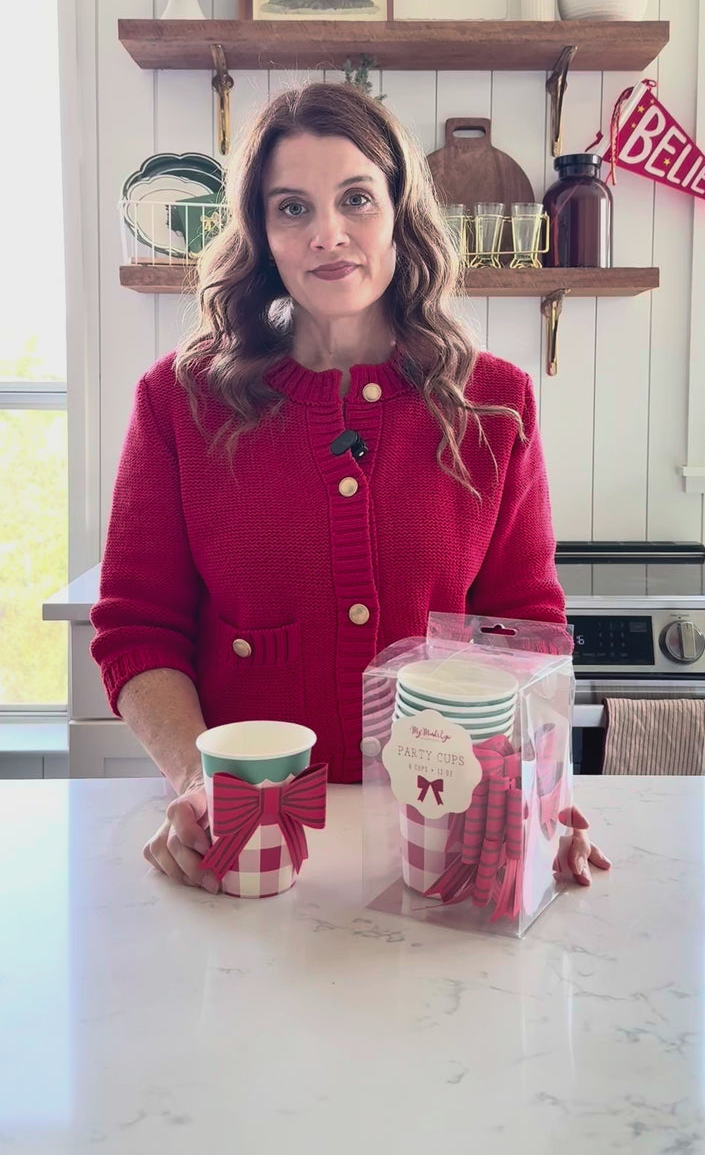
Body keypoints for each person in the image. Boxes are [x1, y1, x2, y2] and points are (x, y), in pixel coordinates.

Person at [90, 82, 610, 895]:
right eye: (291, 208)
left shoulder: (495, 403)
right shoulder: (177, 402)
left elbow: (525, 632)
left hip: (443, 843)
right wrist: (199, 783)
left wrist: (541, 801)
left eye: (356, 199)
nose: (328, 235)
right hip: (253, 849)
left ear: (401, 212)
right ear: (261, 233)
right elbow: (138, 630)